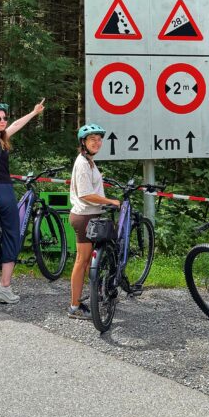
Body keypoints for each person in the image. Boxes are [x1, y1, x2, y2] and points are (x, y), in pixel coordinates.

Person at [0, 100, 45, 305]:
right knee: (12, 234)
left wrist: (33, 112)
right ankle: (4, 287)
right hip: (0, 190)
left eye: (4, 117)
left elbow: (15, 126)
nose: (4, 121)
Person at [68, 123, 120, 320]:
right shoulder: (82, 163)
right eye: (92, 139)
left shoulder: (88, 161)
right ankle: (74, 306)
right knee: (81, 262)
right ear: (83, 142)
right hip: (84, 217)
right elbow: (86, 194)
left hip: (91, 215)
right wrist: (110, 201)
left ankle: (93, 295)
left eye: (99, 139)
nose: (97, 143)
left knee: (89, 261)